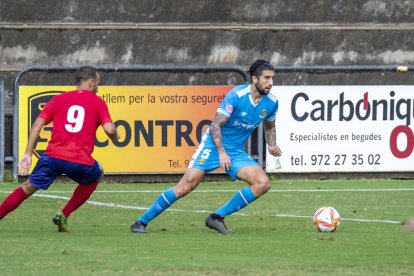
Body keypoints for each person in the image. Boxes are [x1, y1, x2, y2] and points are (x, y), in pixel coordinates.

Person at [130, 59, 282, 234]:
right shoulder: (236, 96)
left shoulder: (271, 102)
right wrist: (222, 152)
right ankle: (141, 222)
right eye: (266, 78)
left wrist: (272, 145)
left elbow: (270, 126)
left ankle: (216, 217)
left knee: (262, 183)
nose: (270, 83)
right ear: (254, 79)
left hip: (235, 151)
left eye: (272, 78)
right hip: (213, 145)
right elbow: (215, 126)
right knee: (186, 186)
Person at [0, 66, 119, 232]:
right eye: (98, 83)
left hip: (52, 158)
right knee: (96, 176)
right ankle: (64, 214)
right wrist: (116, 137)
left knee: (26, 188)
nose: (98, 87)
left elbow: (37, 124)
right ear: (91, 83)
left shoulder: (59, 99)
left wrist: (28, 153)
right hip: (79, 160)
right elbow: (110, 129)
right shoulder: (98, 102)